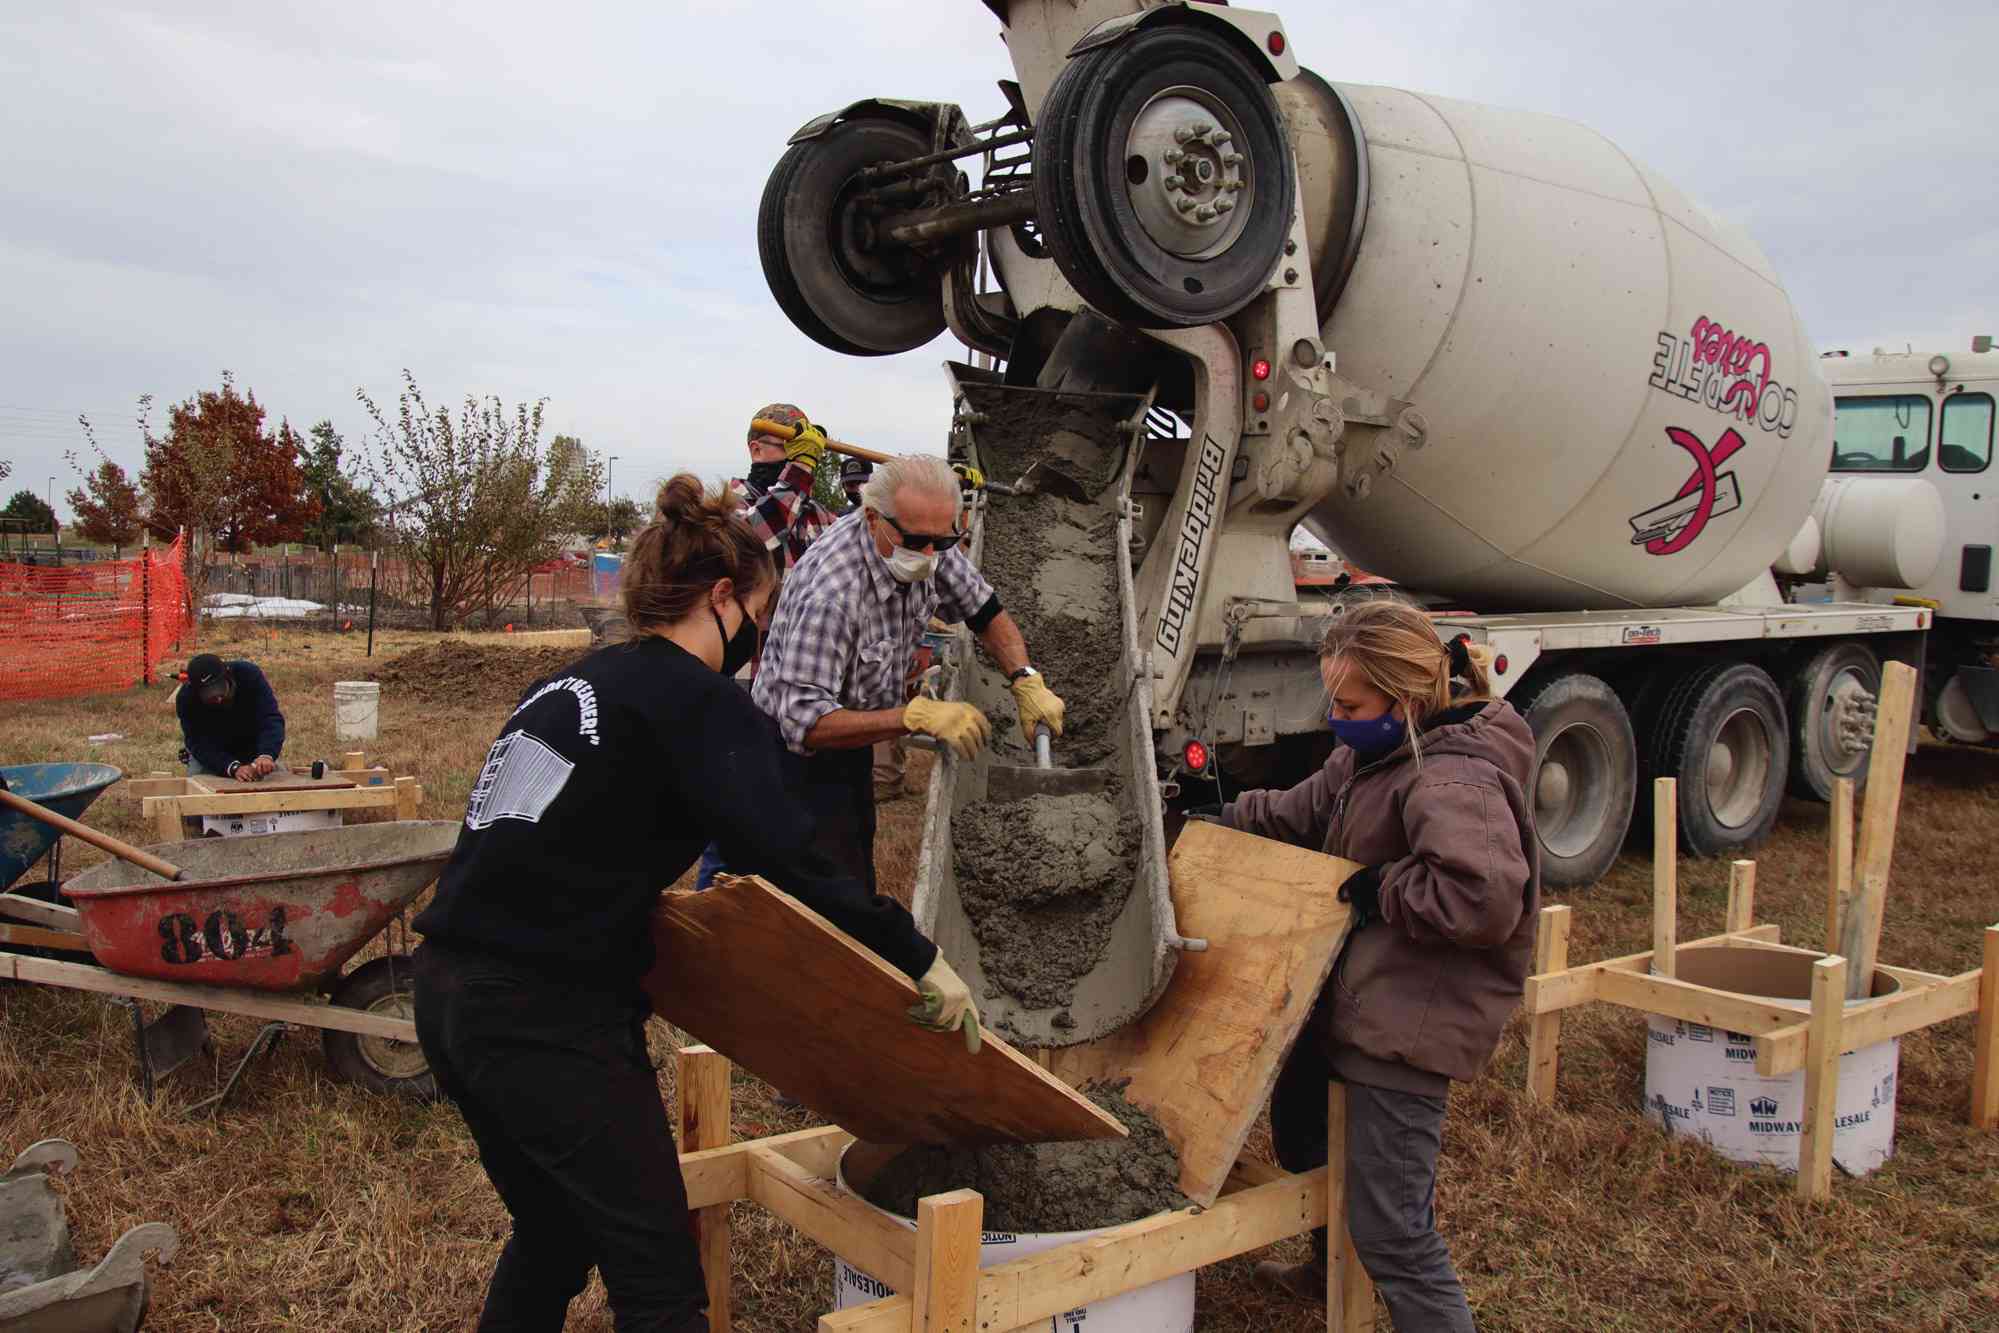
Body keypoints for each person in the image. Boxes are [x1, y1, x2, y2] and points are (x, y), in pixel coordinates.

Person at [411, 474, 979, 1333]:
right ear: (722, 599)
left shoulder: (575, 683)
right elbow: (794, 860)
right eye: (760, 608)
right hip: (544, 1018)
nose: (761, 632)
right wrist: (918, 956)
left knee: (556, 1228)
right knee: (660, 1280)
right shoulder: (701, 702)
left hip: (447, 994)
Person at [1199, 599, 1538, 1332]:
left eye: (1349, 702)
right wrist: (1213, 810)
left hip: (1406, 1024)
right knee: (1305, 1139)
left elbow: (1482, 898)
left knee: (1394, 1228)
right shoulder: (1373, 751)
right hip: (1352, 995)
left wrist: (1381, 886)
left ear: (1406, 696)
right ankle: (1327, 1272)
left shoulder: (1452, 781)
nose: (1337, 714)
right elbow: (1300, 809)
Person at [749, 453, 1068, 892]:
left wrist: (1025, 678)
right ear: (873, 517)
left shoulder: (930, 541)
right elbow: (803, 723)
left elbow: (985, 610)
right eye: (918, 542)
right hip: (790, 763)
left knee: (852, 870)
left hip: (850, 740)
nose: (929, 556)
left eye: (943, 541)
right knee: (806, 894)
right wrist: (910, 717)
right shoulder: (832, 593)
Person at [728, 402, 837, 572]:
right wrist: (800, 468)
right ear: (756, 450)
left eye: (806, 448)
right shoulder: (727, 506)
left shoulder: (818, 514)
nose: (801, 456)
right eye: (790, 446)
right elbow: (747, 542)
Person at [175, 653, 285, 781]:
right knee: (198, 781)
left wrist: (266, 754)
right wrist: (232, 767)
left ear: (228, 675)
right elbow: (198, 742)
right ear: (196, 691)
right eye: (209, 694)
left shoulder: (249, 675)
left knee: (278, 780)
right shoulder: (186, 699)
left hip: (253, 746)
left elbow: (270, 718)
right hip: (214, 754)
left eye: (219, 688)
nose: (218, 698)